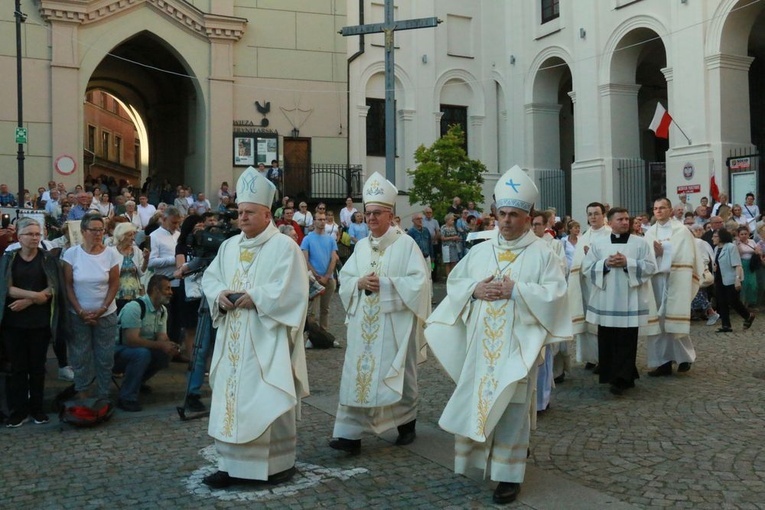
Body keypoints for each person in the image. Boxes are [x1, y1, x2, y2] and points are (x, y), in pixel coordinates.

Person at [426, 165, 571, 505]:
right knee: (481, 400)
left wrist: (517, 291)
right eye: (502, 214)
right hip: (481, 346)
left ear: (528, 215)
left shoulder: (542, 254)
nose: (506, 221)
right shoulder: (480, 250)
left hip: (518, 346)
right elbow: (456, 283)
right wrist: (475, 290)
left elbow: (556, 295)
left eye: (515, 215)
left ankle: (508, 475)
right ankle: (477, 459)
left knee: (512, 408)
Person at [201, 166, 309, 489]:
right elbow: (211, 278)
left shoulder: (284, 247)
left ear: (267, 214)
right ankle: (228, 465)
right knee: (230, 398)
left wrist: (256, 297)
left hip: (266, 340)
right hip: (233, 337)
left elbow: (293, 290)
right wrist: (220, 295)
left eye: (249, 212)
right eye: (239, 212)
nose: (242, 217)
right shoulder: (229, 247)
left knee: (263, 395)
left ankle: (274, 465)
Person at [329, 172, 431, 456]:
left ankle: (406, 422)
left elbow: (420, 284)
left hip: (394, 323)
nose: (371, 218)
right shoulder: (361, 246)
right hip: (363, 324)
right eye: (368, 213)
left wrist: (386, 285)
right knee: (355, 374)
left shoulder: (406, 244)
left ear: (390, 215)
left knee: (398, 373)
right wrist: (358, 283)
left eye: (377, 213)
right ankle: (349, 435)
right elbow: (346, 280)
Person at [582, 207, 658, 396]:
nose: (625, 222)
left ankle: (622, 378)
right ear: (610, 222)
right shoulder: (599, 244)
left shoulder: (640, 243)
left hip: (630, 300)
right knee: (607, 338)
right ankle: (614, 374)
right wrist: (605, 264)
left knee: (626, 339)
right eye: (620, 219)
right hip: (607, 300)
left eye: (627, 219)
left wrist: (628, 264)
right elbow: (587, 268)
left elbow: (650, 267)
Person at [0, 218, 67, 427]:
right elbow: (6, 287)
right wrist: (35, 296)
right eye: (30, 234)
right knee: (18, 368)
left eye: (38, 234)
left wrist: (31, 301)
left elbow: (54, 286)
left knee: (38, 367)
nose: (35, 238)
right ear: (19, 237)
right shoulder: (10, 258)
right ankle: (18, 410)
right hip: (13, 322)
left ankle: (37, 409)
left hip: (39, 322)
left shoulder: (47, 259)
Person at [62, 212, 121, 400]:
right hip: (78, 314)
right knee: (80, 357)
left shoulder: (111, 254)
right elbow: (68, 284)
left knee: (105, 357)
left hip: (105, 314)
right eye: (93, 230)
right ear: (83, 231)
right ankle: (83, 394)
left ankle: (103, 395)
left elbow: (114, 284)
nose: (98, 234)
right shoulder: (71, 254)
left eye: (101, 230)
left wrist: (102, 308)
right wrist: (80, 310)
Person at [644, 197, 703, 377]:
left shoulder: (682, 231)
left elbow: (687, 256)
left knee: (675, 321)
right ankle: (662, 362)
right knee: (658, 324)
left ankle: (684, 358)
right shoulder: (649, 233)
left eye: (662, 208)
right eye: (655, 208)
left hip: (676, 280)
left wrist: (664, 252)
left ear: (670, 210)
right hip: (655, 282)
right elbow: (644, 256)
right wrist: (655, 254)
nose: (659, 211)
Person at [113, 274, 178, 412]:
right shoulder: (135, 307)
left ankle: (137, 382)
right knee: (141, 354)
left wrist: (170, 346)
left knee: (164, 354)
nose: (171, 292)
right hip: (116, 351)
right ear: (156, 290)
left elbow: (162, 336)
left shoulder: (162, 310)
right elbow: (131, 340)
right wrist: (161, 345)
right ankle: (126, 397)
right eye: (167, 289)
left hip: (136, 351)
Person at [568, 202, 611, 371]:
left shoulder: (609, 235)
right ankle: (591, 357)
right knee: (587, 322)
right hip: (586, 285)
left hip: (602, 286)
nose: (593, 217)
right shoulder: (584, 237)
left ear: (603, 215)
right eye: (590, 214)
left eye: (596, 213)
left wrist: (592, 258)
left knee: (601, 323)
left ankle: (604, 359)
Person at [148, 206, 182, 350]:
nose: (176, 226)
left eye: (178, 223)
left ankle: (175, 348)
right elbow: (151, 261)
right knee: (165, 319)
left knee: (178, 319)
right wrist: (173, 260)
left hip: (179, 282)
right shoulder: (154, 236)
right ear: (164, 219)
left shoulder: (178, 235)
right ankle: (164, 349)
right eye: (173, 223)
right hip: (163, 282)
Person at [713, 228, 755, 332]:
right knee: (722, 302)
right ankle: (726, 325)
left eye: (715, 236)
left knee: (733, 301)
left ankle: (748, 315)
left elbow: (737, 264)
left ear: (721, 237)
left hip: (731, 278)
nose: (713, 238)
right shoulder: (716, 249)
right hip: (719, 278)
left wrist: (737, 279)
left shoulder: (731, 247)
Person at [301, 210, 338, 331]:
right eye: (320, 219)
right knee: (312, 311)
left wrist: (327, 276)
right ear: (314, 221)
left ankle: (324, 333)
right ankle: (311, 336)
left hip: (328, 279)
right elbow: (305, 260)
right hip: (313, 279)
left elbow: (334, 258)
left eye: (324, 220)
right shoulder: (307, 239)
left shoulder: (330, 239)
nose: (322, 222)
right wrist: (317, 276)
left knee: (325, 309)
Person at [113, 222, 149, 311]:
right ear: (121, 237)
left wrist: (146, 259)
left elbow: (141, 272)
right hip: (117, 295)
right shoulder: (111, 252)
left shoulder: (136, 251)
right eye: (129, 235)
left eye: (133, 234)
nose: (133, 238)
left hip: (135, 294)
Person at [735, 226, 761, 307]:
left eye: (745, 234)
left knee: (752, 284)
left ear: (748, 234)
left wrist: (757, 252)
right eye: (741, 234)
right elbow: (739, 254)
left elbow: (758, 251)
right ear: (738, 235)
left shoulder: (752, 241)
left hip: (751, 264)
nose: (744, 235)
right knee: (744, 284)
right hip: (742, 264)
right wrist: (738, 243)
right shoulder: (735, 243)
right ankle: (742, 303)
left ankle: (749, 303)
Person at [440, 213, 461, 278]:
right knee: (448, 263)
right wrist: (452, 238)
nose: (453, 221)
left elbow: (455, 235)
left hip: (454, 246)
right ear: (448, 220)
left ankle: (453, 276)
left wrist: (457, 238)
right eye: (452, 220)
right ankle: (448, 277)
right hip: (447, 247)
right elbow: (442, 238)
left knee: (454, 262)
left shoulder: (453, 227)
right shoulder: (443, 227)